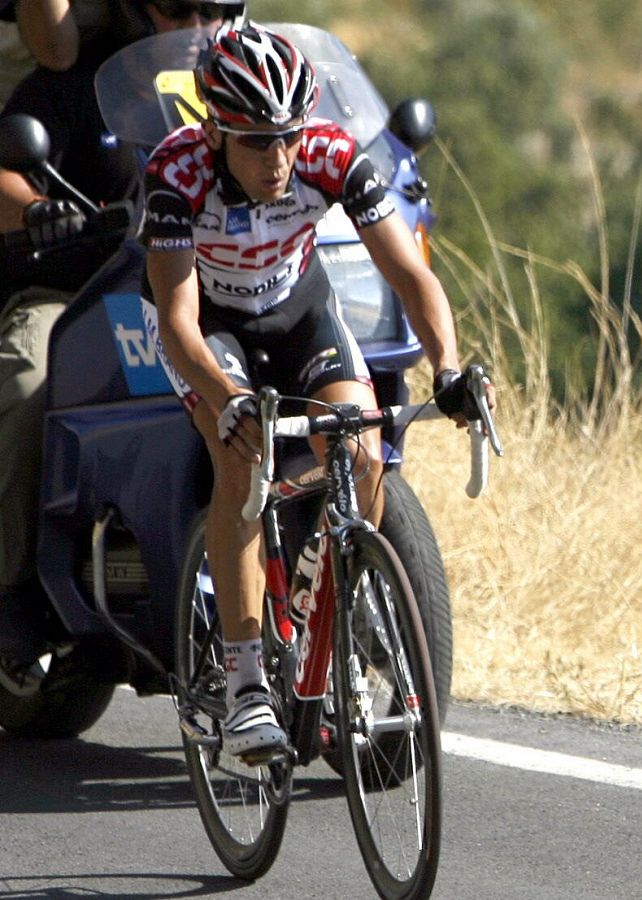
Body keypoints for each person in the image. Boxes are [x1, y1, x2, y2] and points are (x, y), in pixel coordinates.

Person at [141, 22, 478, 756]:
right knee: (241, 458)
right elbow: (177, 320)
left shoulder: (329, 157)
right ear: (218, 132)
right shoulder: (177, 175)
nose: (280, 157)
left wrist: (448, 367)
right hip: (211, 330)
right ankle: (246, 683)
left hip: (298, 313)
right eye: (259, 141)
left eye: (289, 135)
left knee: (360, 446)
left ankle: (346, 600)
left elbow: (412, 276)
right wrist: (225, 400)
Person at [0, 0, 241, 676]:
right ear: (138, 14)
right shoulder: (74, 85)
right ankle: (12, 585)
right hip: (77, 294)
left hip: (205, 299)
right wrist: (40, 210)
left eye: (214, 10)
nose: (196, 29)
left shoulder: (247, 90)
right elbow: (4, 168)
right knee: (26, 376)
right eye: (177, 10)